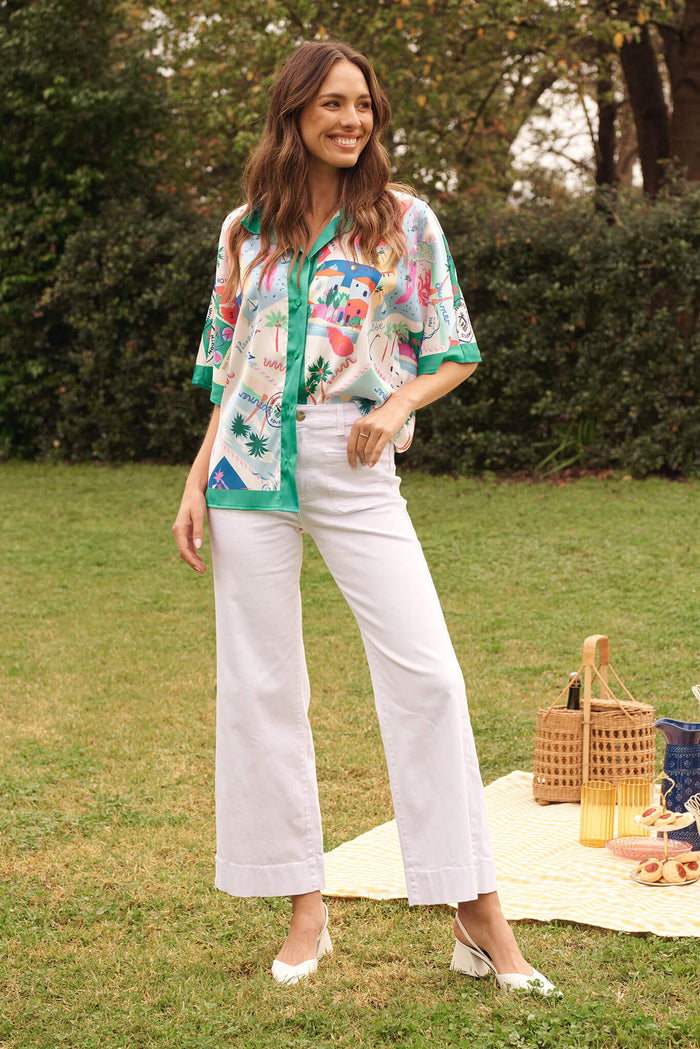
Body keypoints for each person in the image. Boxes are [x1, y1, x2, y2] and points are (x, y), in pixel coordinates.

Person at [172, 39, 558, 995]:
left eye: (364, 105)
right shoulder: (243, 230)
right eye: (334, 104)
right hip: (246, 464)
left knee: (429, 675)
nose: (353, 119)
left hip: (354, 460)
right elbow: (229, 367)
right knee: (261, 685)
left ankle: (476, 912)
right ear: (294, 113)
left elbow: (454, 347)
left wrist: (396, 406)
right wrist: (196, 476)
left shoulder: (404, 221)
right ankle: (305, 907)